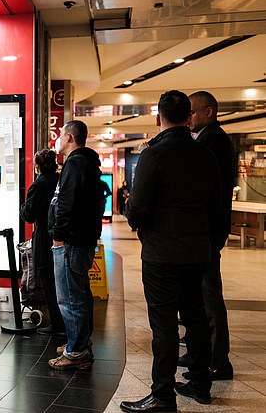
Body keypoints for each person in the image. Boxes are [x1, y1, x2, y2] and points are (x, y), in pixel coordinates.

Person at [120, 90, 220, 412]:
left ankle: (163, 395)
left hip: (162, 254)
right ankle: (201, 383)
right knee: (196, 318)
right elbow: (216, 207)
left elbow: (136, 210)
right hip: (197, 251)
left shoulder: (154, 155)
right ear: (189, 116)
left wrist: (136, 221)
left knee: (163, 326)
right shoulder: (205, 155)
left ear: (158, 117)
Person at [178, 91, 235, 381]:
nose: (189, 119)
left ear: (209, 111)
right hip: (205, 228)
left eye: (194, 112)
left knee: (209, 294)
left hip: (208, 230)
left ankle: (218, 360)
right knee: (198, 295)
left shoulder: (214, 140)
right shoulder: (207, 138)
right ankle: (198, 351)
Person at [47, 120, 103, 371]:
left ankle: (76, 351)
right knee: (77, 294)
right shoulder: (84, 163)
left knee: (70, 298)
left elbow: (67, 203)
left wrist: (59, 234)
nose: (57, 139)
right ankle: (77, 342)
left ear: (69, 137)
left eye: (59, 135)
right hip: (79, 239)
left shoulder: (76, 163)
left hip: (71, 240)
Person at [19, 149, 65, 335]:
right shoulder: (60, 180)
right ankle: (63, 321)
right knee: (60, 281)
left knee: (48, 280)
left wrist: (22, 207)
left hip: (44, 238)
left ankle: (57, 323)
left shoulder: (38, 185)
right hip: (59, 236)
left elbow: (28, 215)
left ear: (37, 166)